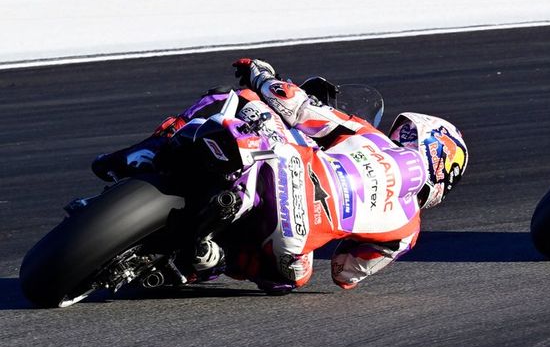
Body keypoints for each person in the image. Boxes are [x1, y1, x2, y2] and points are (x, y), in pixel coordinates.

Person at [92, 58, 469, 291]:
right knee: (290, 280)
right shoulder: (408, 231)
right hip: (293, 238)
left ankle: (147, 152)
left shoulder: (371, 137)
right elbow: (345, 274)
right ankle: (209, 259)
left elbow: (295, 103)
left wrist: (258, 74)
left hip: (284, 165)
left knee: (231, 99)